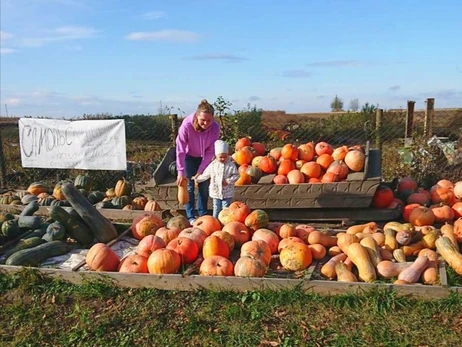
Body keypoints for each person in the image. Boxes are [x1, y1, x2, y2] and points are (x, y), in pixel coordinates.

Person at [176, 99, 220, 224]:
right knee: (189, 187)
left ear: (213, 118)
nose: (206, 123)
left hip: (204, 158)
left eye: (209, 120)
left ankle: (202, 215)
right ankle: (190, 216)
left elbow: (211, 150)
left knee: (204, 187)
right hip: (188, 157)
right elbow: (180, 149)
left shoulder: (215, 128)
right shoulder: (187, 125)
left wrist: (201, 170)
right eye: (203, 120)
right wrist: (180, 172)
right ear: (196, 116)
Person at [194, 140, 240, 219]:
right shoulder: (213, 165)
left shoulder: (231, 165)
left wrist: (228, 181)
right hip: (215, 191)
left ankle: (225, 223)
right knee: (216, 208)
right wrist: (197, 179)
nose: (223, 159)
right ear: (216, 156)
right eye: (220, 157)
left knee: (225, 209)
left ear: (228, 155)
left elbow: (236, 175)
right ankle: (215, 221)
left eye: (225, 157)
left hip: (227, 192)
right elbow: (206, 174)